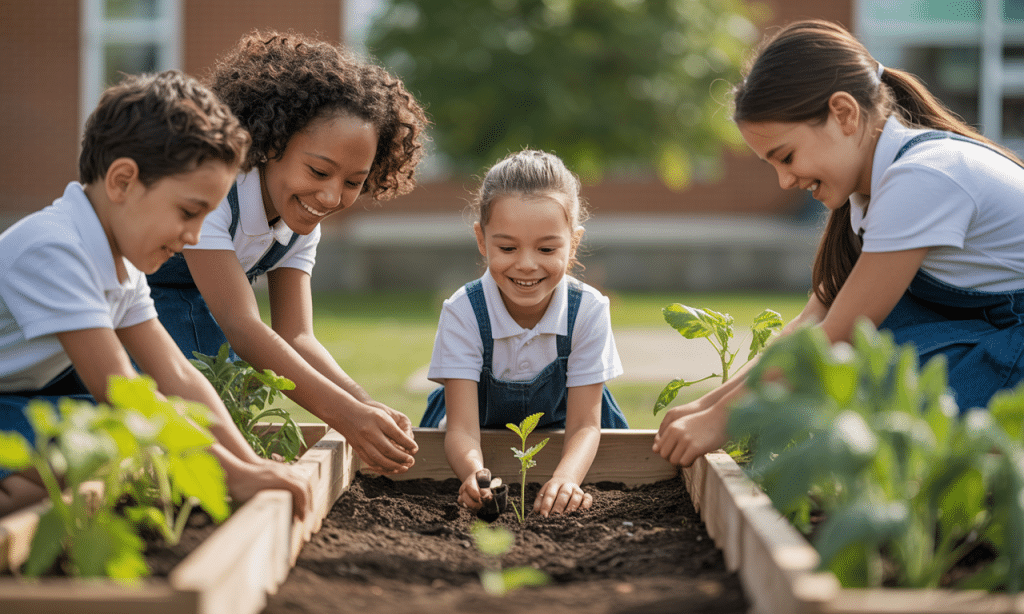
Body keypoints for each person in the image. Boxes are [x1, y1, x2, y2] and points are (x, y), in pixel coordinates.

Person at [655, 18, 1024, 468]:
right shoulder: (873, 192)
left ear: (845, 114)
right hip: (999, 338)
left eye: (786, 157)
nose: (785, 180)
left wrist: (723, 421)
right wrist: (706, 406)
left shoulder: (923, 177)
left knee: (863, 366)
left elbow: (839, 333)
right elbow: (811, 323)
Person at [0, 70, 311, 518]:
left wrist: (248, 464)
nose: (193, 236)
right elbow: (120, 389)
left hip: (18, 400)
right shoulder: (56, 249)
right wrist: (231, 475)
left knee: (109, 440)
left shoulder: (121, 265)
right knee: (96, 446)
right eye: (188, 211)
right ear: (122, 181)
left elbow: (177, 375)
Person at [146, 31, 429, 474]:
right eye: (318, 170)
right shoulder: (215, 191)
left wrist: (363, 403)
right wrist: (344, 416)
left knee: (229, 390)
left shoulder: (300, 223)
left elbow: (297, 336)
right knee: (197, 396)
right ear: (271, 142)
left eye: (353, 182)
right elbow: (241, 325)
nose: (331, 196)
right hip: (133, 298)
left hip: (199, 309)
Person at [420, 149, 629, 517]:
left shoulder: (588, 310)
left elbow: (585, 424)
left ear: (573, 242)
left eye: (546, 248)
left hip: (575, 446)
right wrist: (474, 476)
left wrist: (566, 479)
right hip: (471, 437)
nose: (527, 264)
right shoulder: (464, 311)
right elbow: (462, 430)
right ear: (481, 239)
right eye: (507, 247)